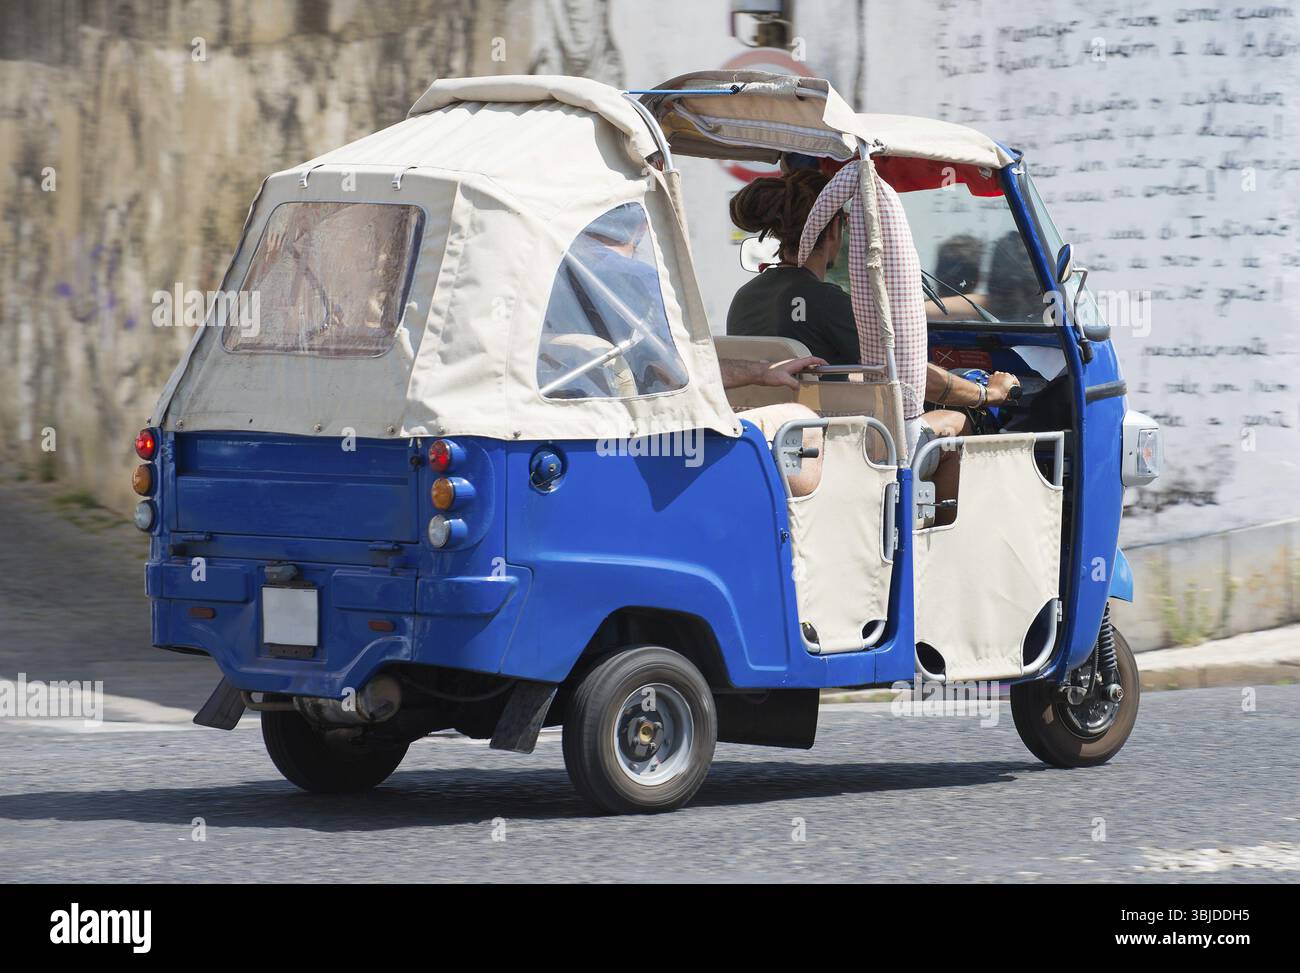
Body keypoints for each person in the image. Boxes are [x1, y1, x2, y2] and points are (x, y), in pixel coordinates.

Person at [725, 170, 860, 365]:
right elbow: (895, 365)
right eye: (845, 222)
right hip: (816, 397)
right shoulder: (827, 300)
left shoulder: (743, 298)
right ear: (834, 227)